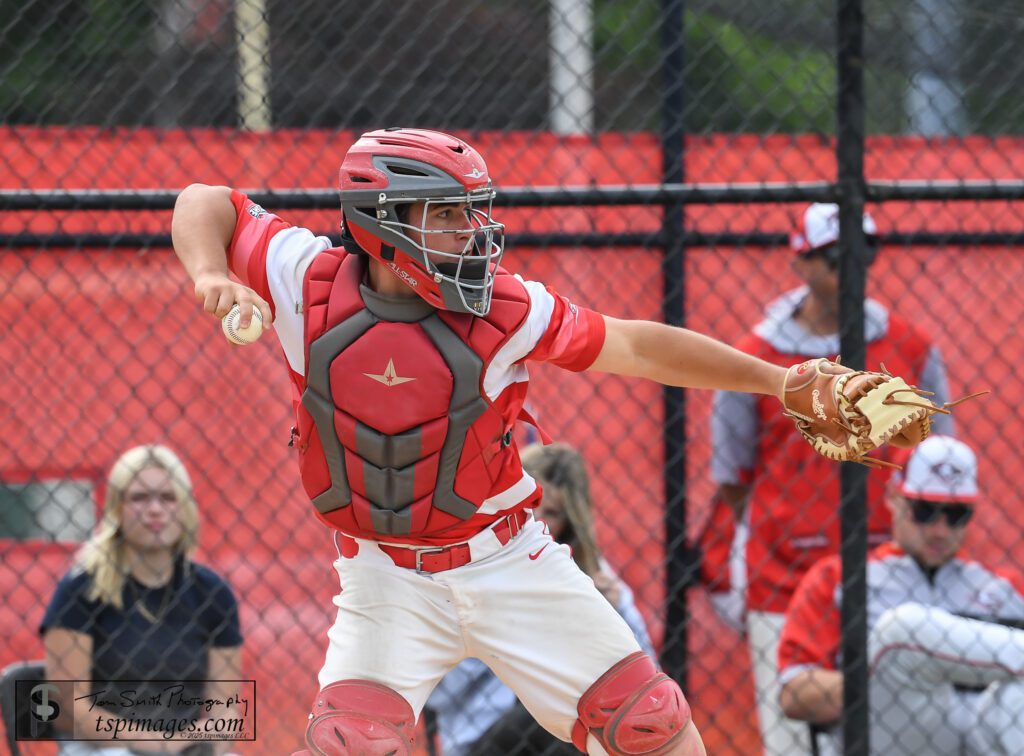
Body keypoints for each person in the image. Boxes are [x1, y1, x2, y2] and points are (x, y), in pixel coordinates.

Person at [169, 128, 940, 756]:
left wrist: (778, 382)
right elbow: (206, 201)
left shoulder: (505, 308)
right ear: (382, 219)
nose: (470, 233)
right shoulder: (306, 279)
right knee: (348, 741)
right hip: (384, 580)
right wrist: (210, 274)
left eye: (472, 212)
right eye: (444, 215)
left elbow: (638, 347)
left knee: (651, 726)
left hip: (508, 561)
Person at [703, 202, 954, 755]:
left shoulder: (908, 346)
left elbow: (939, 455)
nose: (851, 266)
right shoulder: (757, 357)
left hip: (888, 570)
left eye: (863, 252)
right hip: (784, 572)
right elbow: (733, 473)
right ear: (801, 262)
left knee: (903, 728)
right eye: (835, 255)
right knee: (792, 738)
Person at [778, 435, 1024, 755]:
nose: (940, 530)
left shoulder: (1004, 587)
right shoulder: (839, 580)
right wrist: (886, 681)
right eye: (925, 511)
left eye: (956, 515)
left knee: (1015, 696)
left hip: (981, 738)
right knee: (902, 630)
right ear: (895, 498)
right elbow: (795, 694)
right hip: (894, 732)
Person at [425, 442, 655, 756]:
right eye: (529, 505)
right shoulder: (463, 567)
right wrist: (492, 627)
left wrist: (615, 613)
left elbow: (649, 680)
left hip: (567, 728)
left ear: (571, 522)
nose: (536, 521)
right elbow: (435, 694)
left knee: (577, 728)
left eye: (552, 513)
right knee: (551, 726)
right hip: (479, 738)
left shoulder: (587, 576)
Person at [41, 445, 243, 755]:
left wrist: (207, 745)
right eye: (139, 498)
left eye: (167, 497)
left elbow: (226, 711)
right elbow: (67, 709)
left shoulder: (213, 594)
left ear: (185, 508)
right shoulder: (80, 589)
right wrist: (160, 745)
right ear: (116, 509)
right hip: (102, 748)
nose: (154, 509)